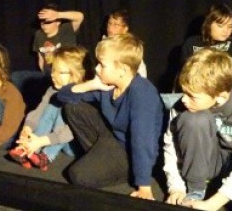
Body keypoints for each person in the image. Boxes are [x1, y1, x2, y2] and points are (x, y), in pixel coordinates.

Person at [57, 33, 164, 200]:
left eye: (102, 65)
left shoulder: (142, 94)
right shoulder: (107, 86)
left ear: (123, 70)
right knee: (73, 107)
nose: (96, 69)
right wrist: (91, 84)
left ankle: (128, 171)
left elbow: (142, 141)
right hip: (113, 137)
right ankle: (100, 159)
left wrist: (144, 185)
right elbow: (63, 97)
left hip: (131, 150)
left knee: (78, 175)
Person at [163, 48, 232, 211]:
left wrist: (213, 203)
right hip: (202, 164)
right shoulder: (185, 103)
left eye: (192, 96)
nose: (184, 99)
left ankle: (220, 191)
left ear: (220, 97)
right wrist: (175, 186)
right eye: (184, 92)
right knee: (193, 119)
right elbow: (171, 146)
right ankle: (197, 188)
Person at [9, 45, 87, 171]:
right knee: (51, 107)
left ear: (77, 74)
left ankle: (46, 156)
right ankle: (28, 150)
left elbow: (70, 132)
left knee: (62, 108)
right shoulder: (52, 90)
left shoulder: (83, 96)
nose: (53, 75)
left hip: (74, 144)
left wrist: (41, 141)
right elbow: (38, 111)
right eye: (53, 70)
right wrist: (27, 129)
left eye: (60, 72)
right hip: (52, 139)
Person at [11, 4, 84, 109]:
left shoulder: (66, 30)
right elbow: (40, 58)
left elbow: (80, 16)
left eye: (48, 22)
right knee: (17, 76)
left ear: (58, 22)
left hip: (66, 75)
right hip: (48, 75)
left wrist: (58, 14)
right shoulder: (39, 35)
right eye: (42, 22)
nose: (44, 25)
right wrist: (44, 72)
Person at [181, 3, 232, 86]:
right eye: (220, 26)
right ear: (208, 24)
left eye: (229, 26)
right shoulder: (191, 43)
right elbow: (185, 72)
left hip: (230, 83)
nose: (226, 31)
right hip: (201, 83)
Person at [103, 9, 147, 77]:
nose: (110, 27)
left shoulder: (130, 47)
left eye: (116, 24)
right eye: (109, 23)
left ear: (125, 29)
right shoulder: (104, 44)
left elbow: (141, 72)